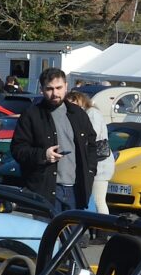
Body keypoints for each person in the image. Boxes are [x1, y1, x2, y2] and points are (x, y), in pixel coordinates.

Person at [8, 67, 97, 207]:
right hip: (44, 189)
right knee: (47, 229)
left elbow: (92, 145)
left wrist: (90, 171)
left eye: (58, 87)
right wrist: (43, 155)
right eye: (49, 89)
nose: (55, 93)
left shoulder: (78, 114)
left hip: (76, 189)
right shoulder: (31, 115)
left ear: (66, 87)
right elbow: (17, 149)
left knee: (75, 229)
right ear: (41, 89)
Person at [70, 89, 113, 210]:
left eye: (73, 103)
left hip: (100, 162)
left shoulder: (91, 113)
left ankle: (103, 227)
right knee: (93, 200)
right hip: (95, 161)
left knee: (98, 200)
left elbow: (91, 134)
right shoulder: (87, 113)